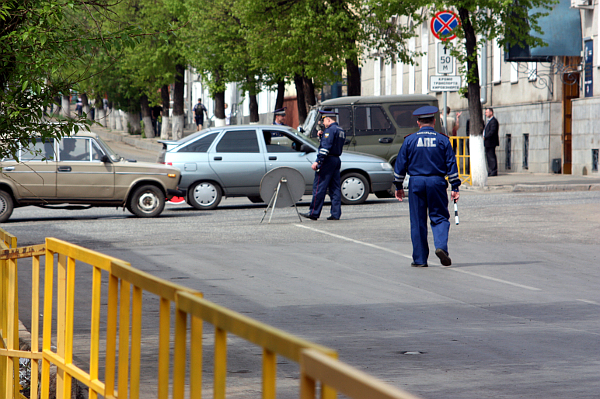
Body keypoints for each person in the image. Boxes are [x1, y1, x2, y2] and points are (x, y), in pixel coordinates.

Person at [394, 106, 461, 267]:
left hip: (416, 182)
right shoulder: (443, 140)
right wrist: (455, 187)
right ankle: (441, 247)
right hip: (437, 182)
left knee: (417, 221)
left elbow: (400, 165)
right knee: (440, 217)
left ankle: (420, 259)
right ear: (434, 121)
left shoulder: (409, 140)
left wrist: (398, 186)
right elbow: (451, 164)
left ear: (418, 123)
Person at [300, 110, 345, 221]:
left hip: (327, 161)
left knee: (319, 187)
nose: (323, 123)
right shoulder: (340, 130)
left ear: (329, 119)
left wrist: (318, 162)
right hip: (336, 159)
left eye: (324, 120)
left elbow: (325, 148)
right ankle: (335, 214)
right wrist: (322, 137)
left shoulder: (329, 130)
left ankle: (314, 212)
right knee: (335, 188)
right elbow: (333, 144)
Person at [483, 107, 499, 176]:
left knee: (491, 156)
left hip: (491, 142)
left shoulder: (493, 121)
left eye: (487, 112)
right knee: (488, 157)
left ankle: (493, 170)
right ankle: (490, 170)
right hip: (487, 142)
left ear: (491, 112)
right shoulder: (489, 121)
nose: (485, 113)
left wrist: (485, 136)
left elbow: (492, 131)